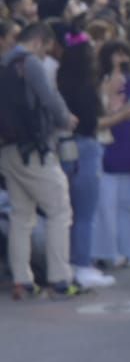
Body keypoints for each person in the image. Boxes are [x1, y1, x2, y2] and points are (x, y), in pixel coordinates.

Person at [2, 22, 80, 298]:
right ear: (39, 41)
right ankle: (60, 277)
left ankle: (22, 280)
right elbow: (49, 97)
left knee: (21, 217)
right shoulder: (29, 63)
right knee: (59, 209)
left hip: (8, 149)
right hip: (34, 148)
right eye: (46, 49)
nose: (47, 55)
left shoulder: (3, 64)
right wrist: (65, 119)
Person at [57, 29, 118, 288]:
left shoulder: (61, 82)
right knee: (85, 213)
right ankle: (83, 265)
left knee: (68, 212)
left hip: (65, 148)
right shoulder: (87, 89)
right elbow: (93, 123)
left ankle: (71, 263)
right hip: (87, 148)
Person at [95, 39, 130, 271]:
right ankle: (110, 251)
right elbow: (98, 115)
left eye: (125, 54)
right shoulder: (98, 82)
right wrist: (119, 109)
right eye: (117, 55)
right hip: (109, 147)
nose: (122, 60)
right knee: (108, 205)